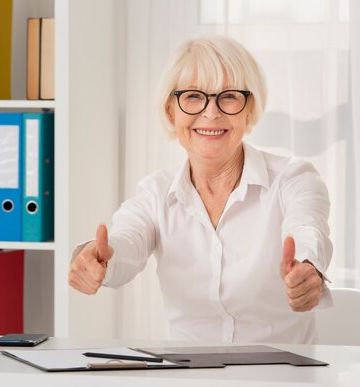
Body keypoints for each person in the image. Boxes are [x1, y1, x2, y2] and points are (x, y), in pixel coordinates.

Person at [68, 35, 333, 344]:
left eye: (229, 96)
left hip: (280, 376)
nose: (211, 113)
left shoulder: (294, 178)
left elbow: (308, 230)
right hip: (189, 374)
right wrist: (93, 259)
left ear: (250, 110)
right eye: (193, 96)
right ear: (171, 112)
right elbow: (125, 242)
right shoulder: (156, 193)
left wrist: (307, 268)